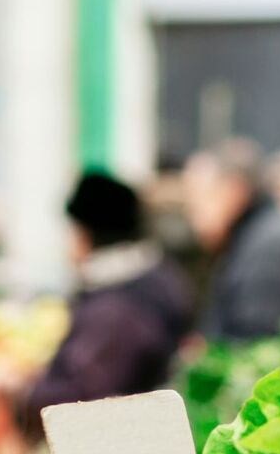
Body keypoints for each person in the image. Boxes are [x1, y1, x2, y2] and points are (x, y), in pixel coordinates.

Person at [21, 172, 193, 435]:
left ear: (86, 235)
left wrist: (22, 395)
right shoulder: (153, 278)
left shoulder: (116, 310)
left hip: (116, 442)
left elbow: (79, 401)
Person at [183, 139, 280, 340]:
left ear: (233, 190)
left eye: (197, 201)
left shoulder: (268, 246)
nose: (192, 216)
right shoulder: (255, 235)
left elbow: (257, 340)